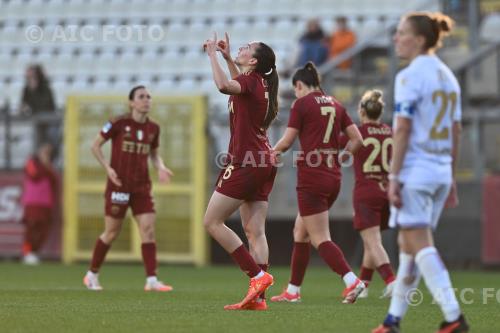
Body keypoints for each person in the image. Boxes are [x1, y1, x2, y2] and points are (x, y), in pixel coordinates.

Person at [372, 12, 468, 333]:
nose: (396, 38)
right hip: (440, 170)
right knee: (408, 246)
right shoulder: (448, 76)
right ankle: (393, 320)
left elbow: (402, 130)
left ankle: (454, 316)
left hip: (416, 170)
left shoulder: (409, 76)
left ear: (420, 39)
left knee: (421, 244)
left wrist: (395, 178)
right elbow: (456, 130)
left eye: (401, 33)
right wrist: (451, 176)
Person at [271, 61, 366, 304]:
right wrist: (342, 156)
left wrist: (269, 153)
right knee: (300, 232)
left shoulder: (301, 104)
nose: (296, 94)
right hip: (333, 177)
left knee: (320, 237)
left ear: (300, 85)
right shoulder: (336, 104)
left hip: (312, 178)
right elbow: (357, 140)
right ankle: (293, 291)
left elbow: (287, 140)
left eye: (296, 89)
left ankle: (352, 281)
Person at [202, 32, 278, 310]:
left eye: (247, 48)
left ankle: (258, 276)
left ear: (254, 60)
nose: (241, 48)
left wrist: (211, 54)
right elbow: (237, 84)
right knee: (255, 231)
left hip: (246, 162)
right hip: (263, 160)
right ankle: (258, 299)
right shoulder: (259, 82)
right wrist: (227, 56)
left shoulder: (248, 81)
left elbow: (224, 85)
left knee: (212, 222)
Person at [83, 85, 174, 292]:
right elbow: (95, 145)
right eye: (142, 97)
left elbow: (153, 154)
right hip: (119, 186)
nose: (146, 100)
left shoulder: (154, 129)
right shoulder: (118, 123)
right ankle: (91, 274)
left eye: (149, 96)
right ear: (132, 102)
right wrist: (108, 169)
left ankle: (152, 280)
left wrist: (160, 167)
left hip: (142, 187)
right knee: (112, 232)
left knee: (148, 230)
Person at [348, 90, 396, 298]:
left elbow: (338, 147)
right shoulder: (390, 131)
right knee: (372, 240)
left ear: (362, 111)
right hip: (386, 190)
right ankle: (364, 285)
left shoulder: (358, 133)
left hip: (366, 190)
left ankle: (392, 281)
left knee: (373, 241)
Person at [20, 143, 57, 265]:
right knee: (31, 227)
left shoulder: (50, 166)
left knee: (44, 229)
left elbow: (55, 180)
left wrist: (47, 165)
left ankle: (34, 252)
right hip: (32, 201)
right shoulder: (31, 162)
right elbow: (34, 175)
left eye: (48, 152)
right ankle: (27, 252)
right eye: (44, 151)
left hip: (46, 202)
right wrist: (44, 164)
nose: (46, 154)